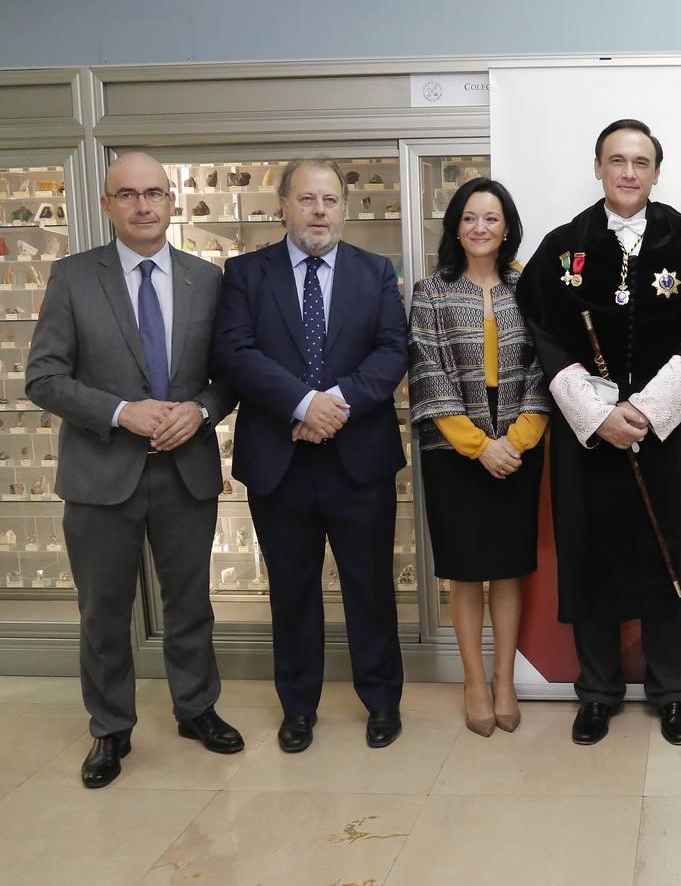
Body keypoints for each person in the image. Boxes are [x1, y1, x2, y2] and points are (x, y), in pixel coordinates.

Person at [516, 118, 681, 746]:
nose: (629, 172)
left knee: (668, 556)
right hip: (588, 440)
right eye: (617, 160)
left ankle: (671, 692)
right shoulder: (563, 247)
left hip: (665, 436)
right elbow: (546, 336)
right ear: (598, 167)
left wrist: (649, 410)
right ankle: (598, 691)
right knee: (591, 557)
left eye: (641, 161)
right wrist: (596, 415)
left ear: (657, 172)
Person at [26, 151, 242, 788]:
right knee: (103, 610)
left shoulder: (208, 280)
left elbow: (229, 377)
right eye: (128, 195)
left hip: (186, 472)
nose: (143, 205)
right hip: (100, 475)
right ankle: (110, 727)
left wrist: (201, 413)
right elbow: (44, 378)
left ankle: (197, 708)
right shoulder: (71, 277)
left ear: (172, 202)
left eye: (154, 193)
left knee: (191, 604)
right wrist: (122, 412)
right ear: (106, 205)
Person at [212, 157, 409, 753]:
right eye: (306, 199)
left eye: (329, 200)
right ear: (284, 206)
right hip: (281, 462)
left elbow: (393, 350)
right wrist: (302, 404)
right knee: (292, 591)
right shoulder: (246, 273)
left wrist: (336, 403)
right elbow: (234, 353)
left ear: (344, 210)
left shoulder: (374, 272)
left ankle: (381, 702)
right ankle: (298, 707)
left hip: (360, 461)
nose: (318, 211)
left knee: (370, 587)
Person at [408, 178, 549, 737]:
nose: (480, 228)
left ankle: (505, 679)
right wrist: (477, 445)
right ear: (455, 227)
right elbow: (427, 370)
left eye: (491, 218)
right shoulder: (431, 291)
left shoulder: (530, 287)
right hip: (454, 448)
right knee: (465, 572)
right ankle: (472, 681)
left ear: (507, 226)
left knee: (509, 568)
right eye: (469, 218)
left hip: (519, 441)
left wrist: (516, 439)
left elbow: (547, 367)